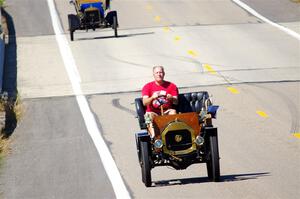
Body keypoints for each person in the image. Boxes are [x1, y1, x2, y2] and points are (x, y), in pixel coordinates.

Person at [142, 66, 179, 137]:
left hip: (166, 111)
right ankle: (154, 137)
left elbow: (176, 102)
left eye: (161, 72)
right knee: (149, 116)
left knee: (173, 112)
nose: (159, 74)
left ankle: (173, 135)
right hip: (153, 112)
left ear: (164, 74)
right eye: (157, 73)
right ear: (153, 74)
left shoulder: (172, 86)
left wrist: (171, 98)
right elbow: (144, 102)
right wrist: (152, 97)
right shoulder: (147, 86)